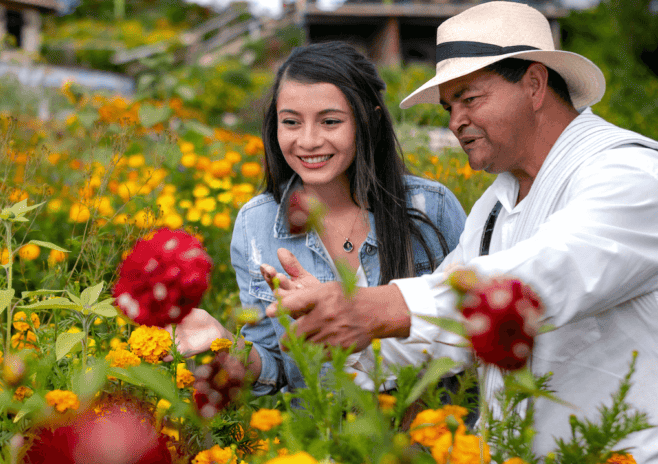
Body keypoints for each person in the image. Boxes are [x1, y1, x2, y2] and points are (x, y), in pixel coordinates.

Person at [268, 1, 658, 458]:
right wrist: (330, 332)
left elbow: (543, 276)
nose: (455, 122)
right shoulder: (497, 202)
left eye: (470, 98)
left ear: (534, 83)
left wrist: (376, 306)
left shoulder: (631, 175)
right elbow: (438, 323)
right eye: (450, 105)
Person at [173, 41, 467, 396]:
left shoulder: (429, 208)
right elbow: (277, 366)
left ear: (369, 119)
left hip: (429, 439)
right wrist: (223, 344)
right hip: (321, 441)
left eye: (330, 121)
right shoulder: (258, 223)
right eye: (291, 123)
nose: (308, 141)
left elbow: (471, 327)